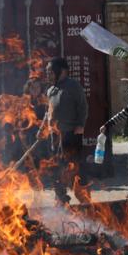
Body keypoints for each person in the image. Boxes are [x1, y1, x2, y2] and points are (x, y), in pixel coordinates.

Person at [45, 56, 88, 204]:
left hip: (71, 134)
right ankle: (61, 198)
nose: (48, 75)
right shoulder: (51, 90)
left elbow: (83, 106)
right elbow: (49, 112)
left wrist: (80, 124)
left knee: (75, 167)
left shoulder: (73, 86)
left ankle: (84, 199)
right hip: (55, 136)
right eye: (47, 72)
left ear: (62, 71)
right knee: (55, 168)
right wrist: (43, 128)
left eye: (51, 71)